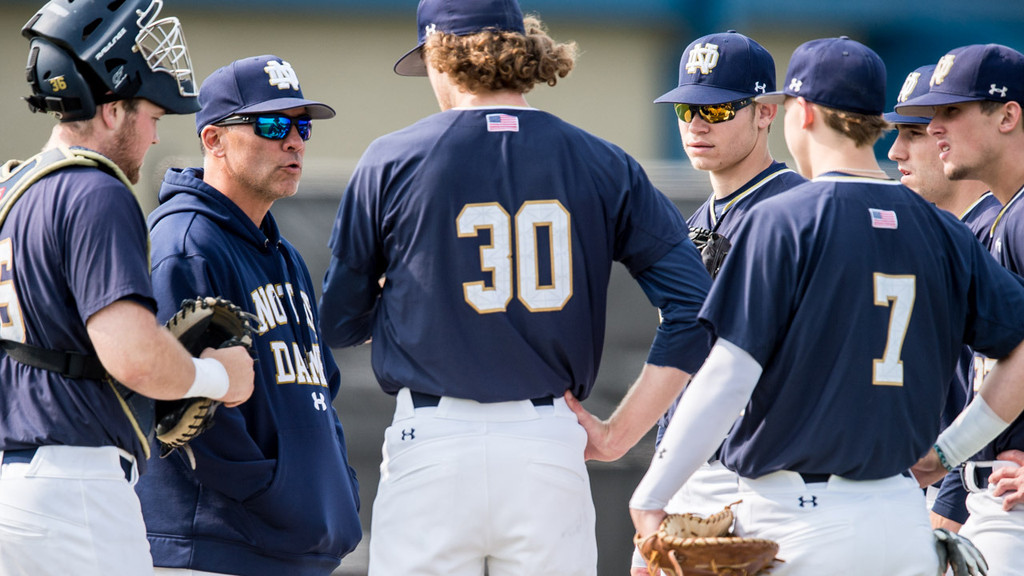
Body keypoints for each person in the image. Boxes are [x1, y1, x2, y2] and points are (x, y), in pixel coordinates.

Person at [318, 0, 713, 573]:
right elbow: (694, 308)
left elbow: (339, 322)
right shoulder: (602, 161)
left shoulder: (392, 158)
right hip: (546, 443)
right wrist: (619, 434)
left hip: (432, 442)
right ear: (524, 52)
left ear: (440, 56)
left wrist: (408, 291)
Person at [629, 36, 1024, 576]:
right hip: (901, 518)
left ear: (802, 112)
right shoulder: (940, 228)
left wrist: (654, 493)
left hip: (800, 517)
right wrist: (949, 450)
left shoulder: (784, 217)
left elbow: (728, 373)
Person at [0, 1, 254, 574]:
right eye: (151, 117)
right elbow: (134, 357)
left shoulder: (12, 190)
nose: (154, 135)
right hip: (78, 493)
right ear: (113, 110)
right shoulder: (96, 189)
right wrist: (218, 377)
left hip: (14, 485)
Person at [134, 55, 362, 576]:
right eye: (273, 124)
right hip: (214, 549)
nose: (295, 141)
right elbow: (179, 411)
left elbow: (320, 387)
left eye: (301, 125)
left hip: (289, 548)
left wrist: (333, 488)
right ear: (213, 139)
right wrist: (276, 495)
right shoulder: (185, 244)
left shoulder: (283, 255)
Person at [631, 30, 806, 575]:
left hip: (764, 471)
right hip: (689, 465)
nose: (697, 123)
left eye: (719, 106)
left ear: (764, 113)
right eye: (686, 108)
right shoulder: (692, 224)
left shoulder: (797, 210)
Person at [897, 42, 1024, 576]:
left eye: (952, 111)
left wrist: (942, 456)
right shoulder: (1004, 218)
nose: (936, 127)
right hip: (985, 498)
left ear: (1007, 116)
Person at [886, 62, 1003, 535]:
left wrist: (948, 511)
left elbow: (986, 388)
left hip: (973, 495)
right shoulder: (948, 234)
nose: (895, 151)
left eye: (914, 133)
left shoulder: (996, 233)